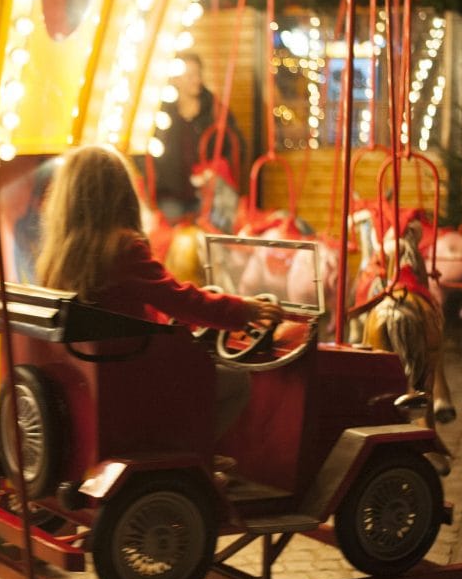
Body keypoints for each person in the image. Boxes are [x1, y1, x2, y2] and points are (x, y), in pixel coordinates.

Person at [36, 144, 283, 456]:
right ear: (120, 194)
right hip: (133, 375)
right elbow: (180, 300)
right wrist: (244, 309)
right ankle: (186, 456)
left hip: (96, 374)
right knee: (236, 383)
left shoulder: (60, 254)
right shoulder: (122, 248)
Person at [153, 52, 244, 228]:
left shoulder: (214, 110)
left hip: (208, 196)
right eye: (190, 76)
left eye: (198, 74)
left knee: (209, 244)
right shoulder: (161, 112)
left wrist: (217, 172)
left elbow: (236, 146)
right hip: (171, 195)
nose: (196, 80)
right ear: (176, 80)